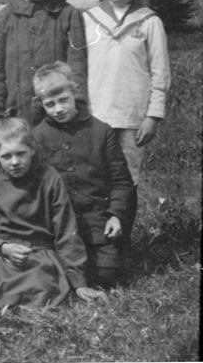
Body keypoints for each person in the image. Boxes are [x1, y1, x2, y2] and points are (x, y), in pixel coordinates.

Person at [0, 117, 109, 309]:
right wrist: (3, 248)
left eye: (21, 154)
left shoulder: (49, 177)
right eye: (7, 156)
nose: (15, 162)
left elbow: (65, 230)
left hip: (36, 255)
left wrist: (78, 283)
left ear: (32, 149)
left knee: (43, 284)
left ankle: (18, 293)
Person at [31, 62, 136, 288]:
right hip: (59, 227)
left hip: (98, 223)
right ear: (39, 103)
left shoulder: (101, 131)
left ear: (75, 91)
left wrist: (116, 215)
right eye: (50, 104)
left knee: (106, 275)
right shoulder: (37, 137)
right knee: (53, 276)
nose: (58, 109)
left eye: (63, 100)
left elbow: (122, 182)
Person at [83, 0, 170, 188]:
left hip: (132, 116)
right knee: (94, 177)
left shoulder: (150, 22)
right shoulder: (88, 20)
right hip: (95, 113)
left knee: (127, 178)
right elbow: (78, 68)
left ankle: (125, 214)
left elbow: (160, 72)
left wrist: (153, 116)